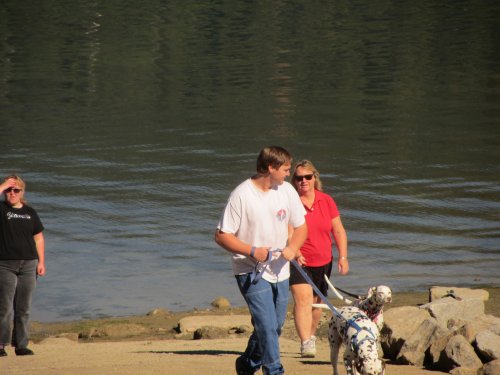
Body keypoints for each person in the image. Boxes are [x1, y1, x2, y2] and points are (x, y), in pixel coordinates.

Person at [215, 146, 307, 375]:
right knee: (266, 326)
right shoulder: (242, 194)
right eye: (285, 169)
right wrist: (251, 250)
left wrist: (293, 247)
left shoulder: (286, 191)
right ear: (270, 167)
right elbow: (221, 235)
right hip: (250, 270)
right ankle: (274, 371)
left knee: (274, 327)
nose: (289, 174)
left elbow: (301, 227)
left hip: (281, 270)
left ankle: (247, 364)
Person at [289, 160, 348, 358]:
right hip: (299, 260)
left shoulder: (326, 200)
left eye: (307, 177)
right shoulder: (291, 203)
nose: (303, 181)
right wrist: (296, 252)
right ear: (294, 181)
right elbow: (288, 232)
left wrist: (343, 257)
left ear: (315, 178)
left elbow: (338, 230)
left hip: (324, 261)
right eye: (299, 178)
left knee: (317, 302)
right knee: (303, 299)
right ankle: (306, 342)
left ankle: (311, 335)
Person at [0, 175, 45, 357]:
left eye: (16, 189)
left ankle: (21, 345)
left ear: (22, 192)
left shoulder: (30, 212)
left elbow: (38, 237)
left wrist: (41, 262)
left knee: (23, 307)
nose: (12, 193)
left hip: (29, 264)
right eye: (9, 190)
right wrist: (2, 185)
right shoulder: (1, 209)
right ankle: (1, 344)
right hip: (5, 264)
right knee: (4, 307)